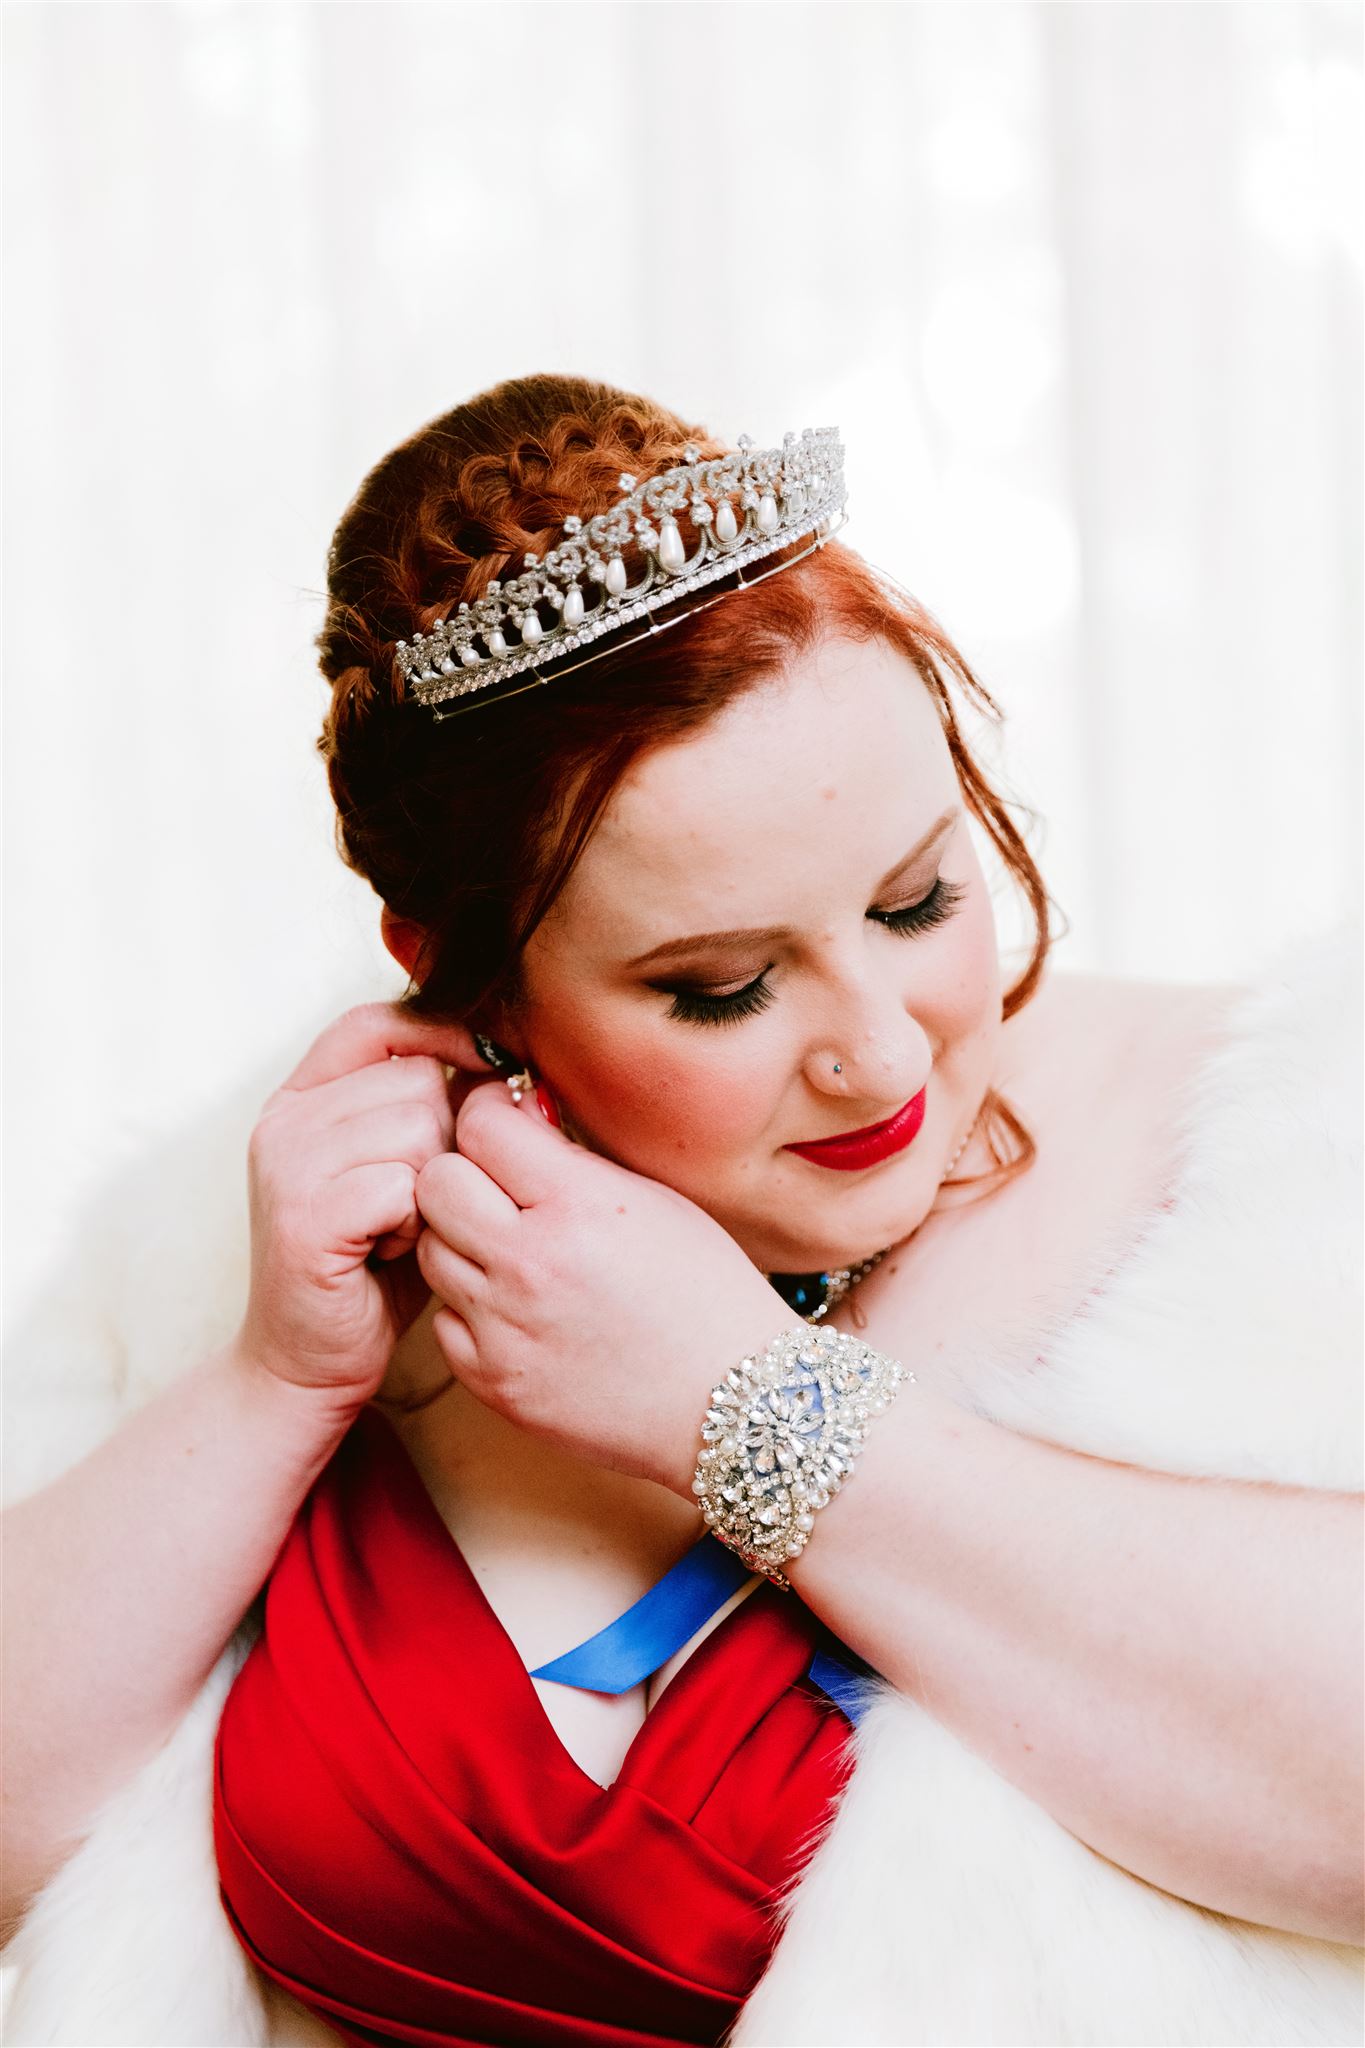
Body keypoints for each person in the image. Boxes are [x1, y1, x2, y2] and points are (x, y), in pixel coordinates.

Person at [2, 376, 1360, 2048]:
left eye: (917, 899)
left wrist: (747, 1407)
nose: (878, 1055)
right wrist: (274, 1382)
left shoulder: (1278, 1141)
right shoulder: (280, 1226)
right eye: (721, 988)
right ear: (465, 976)